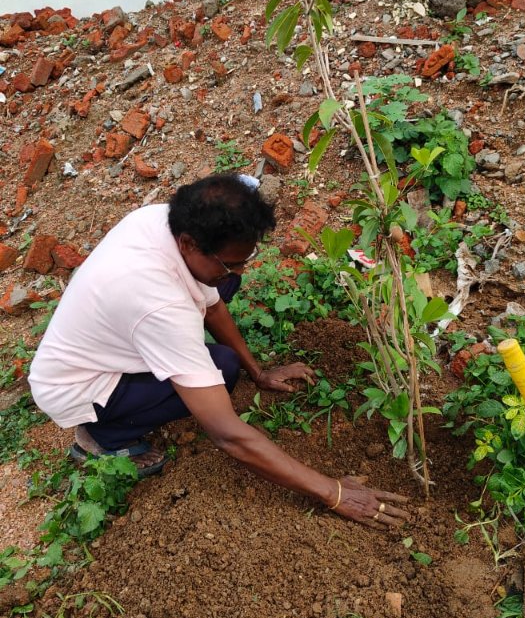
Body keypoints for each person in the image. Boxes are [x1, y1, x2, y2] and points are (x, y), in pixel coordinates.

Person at [29, 174, 408, 530]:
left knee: (224, 348)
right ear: (190, 244)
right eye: (232, 263)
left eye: (246, 258)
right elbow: (227, 434)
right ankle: (101, 438)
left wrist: (259, 373)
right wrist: (332, 492)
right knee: (219, 372)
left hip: (114, 337)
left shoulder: (163, 221)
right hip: (77, 386)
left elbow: (212, 305)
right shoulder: (159, 304)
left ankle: (127, 406)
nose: (241, 271)